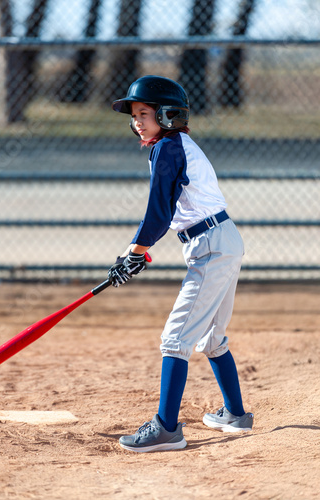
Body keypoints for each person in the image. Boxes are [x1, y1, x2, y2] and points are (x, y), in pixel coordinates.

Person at [107, 75, 254, 453]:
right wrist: (136, 251)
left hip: (212, 247)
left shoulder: (168, 147)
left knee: (176, 338)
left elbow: (158, 212)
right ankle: (235, 415)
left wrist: (134, 252)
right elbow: (164, 211)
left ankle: (166, 428)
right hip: (223, 241)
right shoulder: (176, 144)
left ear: (169, 115)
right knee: (211, 337)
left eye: (145, 113)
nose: (138, 121)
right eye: (134, 114)